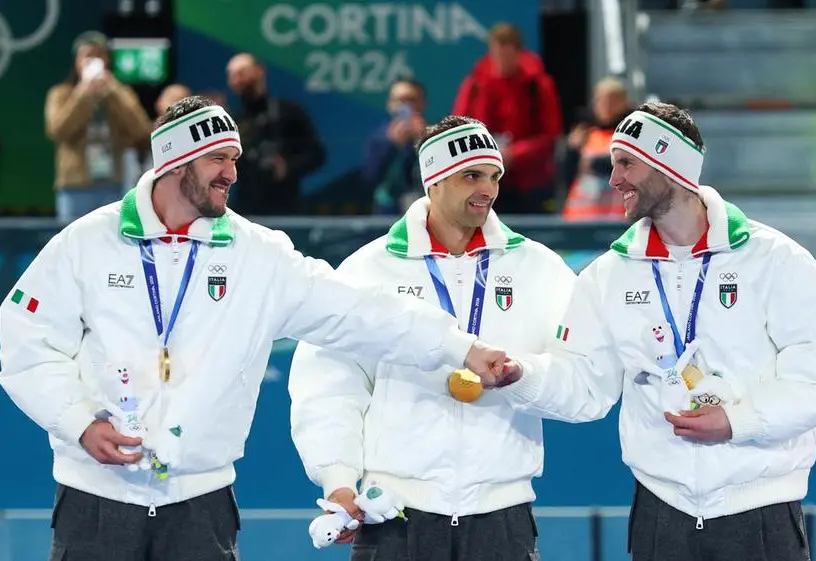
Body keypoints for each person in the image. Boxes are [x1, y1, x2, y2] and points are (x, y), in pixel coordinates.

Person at [0, 97, 507, 561]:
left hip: (203, 507)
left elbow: (362, 312)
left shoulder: (259, 256)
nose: (232, 173)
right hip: (95, 501)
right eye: (218, 159)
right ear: (176, 161)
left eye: (235, 159)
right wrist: (78, 422)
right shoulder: (87, 243)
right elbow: (20, 339)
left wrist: (459, 347)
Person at [495, 102, 816, 561]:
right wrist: (523, 374)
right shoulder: (608, 276)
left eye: (626, 163)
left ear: (669, 164)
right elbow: (583, 384)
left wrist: (738, 422)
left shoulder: (775, 260)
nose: (613, 178)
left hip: (761, 511)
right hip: (661, 516)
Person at [289, 115, 577, 561]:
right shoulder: (369, 270)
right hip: (395, 514)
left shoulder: (539, 270)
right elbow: (327, 386)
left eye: (494, 176)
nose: (488, 188)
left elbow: (581, 381)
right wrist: (338, 477)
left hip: (503, 514)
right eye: (471, 175)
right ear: (434, 180)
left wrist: (526, 376)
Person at [452, 23, 562, 214]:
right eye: (497, 53)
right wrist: (487, 154)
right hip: (481, 179)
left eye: (507, 54)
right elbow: (458, 128)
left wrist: (514, 154)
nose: (501, 61)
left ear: (519, 53)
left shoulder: (538, 85)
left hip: (529, 183)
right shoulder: (475, 84)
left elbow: (550, 135)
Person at [45, 30, 152, 224]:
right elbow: (57, 130)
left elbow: (141, 130)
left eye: (99, 55)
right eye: (88, 55)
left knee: (108, 246)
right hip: (75, 186)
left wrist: (113, 90)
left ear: (107, 61)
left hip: (111, 184)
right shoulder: (61, 93)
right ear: (77, 61)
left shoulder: (120, 93)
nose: (94, 60)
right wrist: (83, 93)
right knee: (70, 247)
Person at [225, 52, 325, 215]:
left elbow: (317, 154)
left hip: (287, 208)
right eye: (232, 75)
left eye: (242, 73)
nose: (237, 80)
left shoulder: (288, 112)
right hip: (247, 207)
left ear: (260, 70)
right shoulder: (232, 121)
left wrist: (288, 166)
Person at [561, 77, 631, 221]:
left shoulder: (630, 135)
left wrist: (594, 163)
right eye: (601, 100)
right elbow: (566, 175)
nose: (606, 106)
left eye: (613, 100)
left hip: (617, 217)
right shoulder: (583, 134)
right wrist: (572, 151)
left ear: (624, 103)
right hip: (582, 216)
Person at [362, 78, 427, 215]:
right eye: (399, 101)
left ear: (422, 103)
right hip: (387, 216)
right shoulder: (379, 140)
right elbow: (370, 179)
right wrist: (392, 146)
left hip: (425, 212)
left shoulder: (435, 136)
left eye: (411, 100)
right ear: (390, 104)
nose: (406, 106)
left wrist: (423, 140)